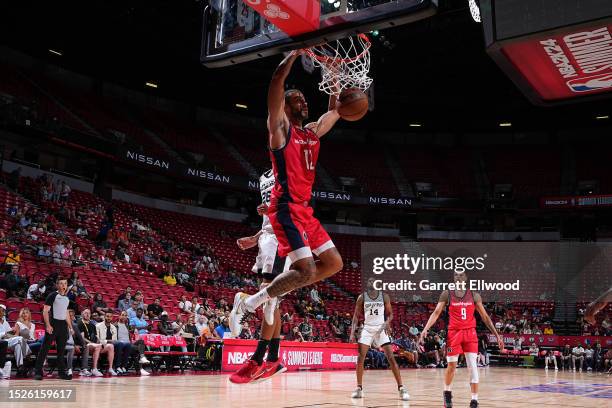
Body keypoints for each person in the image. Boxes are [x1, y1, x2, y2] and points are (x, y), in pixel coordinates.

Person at [229, 49, 344, 335]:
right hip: (286, 207)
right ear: (285, 105)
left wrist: (333, 72)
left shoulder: (312, 132)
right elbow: (277, 81)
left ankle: (272, 294)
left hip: (304, 210)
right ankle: (248, 303)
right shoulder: (280, 129)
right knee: (305, 270)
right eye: (296, 99)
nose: (303, 102)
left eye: (304, 99)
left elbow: (336, 109)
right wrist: (295, 53)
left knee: (334, 263)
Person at [419, 271, 504, 408]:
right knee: (452, 366)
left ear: (465, 278)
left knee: (472, 366)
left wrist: (497, 335)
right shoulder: (447, 294)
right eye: (455, 275)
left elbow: (485, 317)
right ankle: (447, 393)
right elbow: (436, 312)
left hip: (470, 333)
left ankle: (474, 401)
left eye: (461, 275)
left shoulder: (474, 295)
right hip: (454, 333)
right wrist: (425, 329)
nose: (458, 277)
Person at [349, 278, 409, 401]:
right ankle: (359, 389)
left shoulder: (384, 296)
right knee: (360, 358)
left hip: (381, 328)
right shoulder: (362, 297)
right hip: (367, 328)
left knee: (391, 358)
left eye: (373, 281)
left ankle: (401, 388)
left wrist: (387, 322)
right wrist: (352, 333)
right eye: (369, 281)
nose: (371, 283)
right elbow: (355, 316)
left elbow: (391, 314)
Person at [33, 276, 74, 380]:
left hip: (63, 327)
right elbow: (45, 311)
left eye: (65, 283)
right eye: (61, 283)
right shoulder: (53, 295)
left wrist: (70, 327)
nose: (63, 285)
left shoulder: (67, 298)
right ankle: (37, 372)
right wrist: (48, 325)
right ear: (57, 284)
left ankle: (61, 373)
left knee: (61, 351)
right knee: (45, 349)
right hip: (53, 324)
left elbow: (66, 313)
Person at [78, 309, 105, 377]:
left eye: (89, 313)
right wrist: (93, 343)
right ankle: (94, 369)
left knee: (110, 346)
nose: (87, 315)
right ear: (82, 314)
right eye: (85, 313)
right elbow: (82, 338)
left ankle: (111, 368)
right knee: (98, 346)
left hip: (93, 345)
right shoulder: (80, 323)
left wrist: (100, 342)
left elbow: (96, 337)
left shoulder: (92, 324)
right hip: (84, 344)